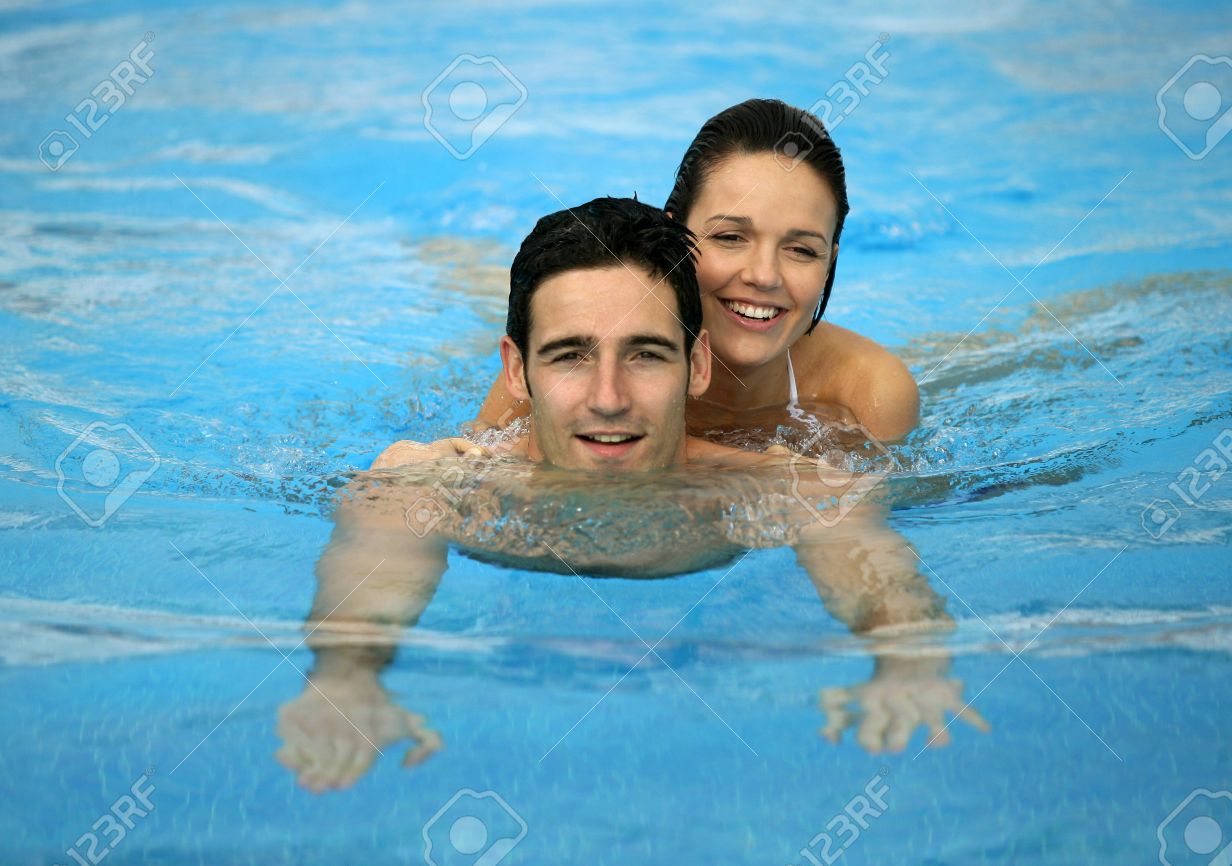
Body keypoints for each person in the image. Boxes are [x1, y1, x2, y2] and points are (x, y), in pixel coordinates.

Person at [274, 198, 985, 793]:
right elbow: (377, 565)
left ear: (698, 364)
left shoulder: (789, 482)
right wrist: (344, 678)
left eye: (645, 354)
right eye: (569, 355)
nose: (608, 399)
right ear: (517, 373)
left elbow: (878, 579)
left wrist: (909, 665)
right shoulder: (436, 479)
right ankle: (449, 262)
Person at [469, 98, 919, 447]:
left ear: (831, 262)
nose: (764, 275)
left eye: (801, 249)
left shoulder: (866, 397)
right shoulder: (569, 369)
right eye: (730, 238)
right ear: (674, 233)